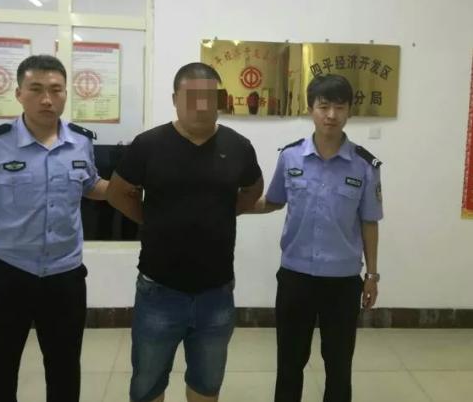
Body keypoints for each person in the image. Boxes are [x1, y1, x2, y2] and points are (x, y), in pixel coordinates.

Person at [0, 54, 111, 402]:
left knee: (65, 368)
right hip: (6, 273)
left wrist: (129, 189)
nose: (47, 99)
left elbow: (91, 184)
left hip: (65, 275)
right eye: (36, 89)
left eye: (56, 90)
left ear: (66, 94)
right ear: (19, 94)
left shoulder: (81, 141)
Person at [106, 62, 264, 402]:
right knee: (147, 385)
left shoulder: (238, 146)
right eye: (192, 97)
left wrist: (224, 211)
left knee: (207, 384)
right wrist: (150, 219)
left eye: (210, 97)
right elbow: (117, 193)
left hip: (216, 293)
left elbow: (252, 189)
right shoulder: (148, 145)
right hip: (158, 291)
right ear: (175, 99)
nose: (202, 105)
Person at [248, 74, 383, 402]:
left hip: (342, 281)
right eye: (324, 106)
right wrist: (230, 205)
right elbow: (273, 201)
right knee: (289, 362)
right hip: (295, 277)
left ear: (349, 111)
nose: (331, 115)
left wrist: (372, 276)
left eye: (339, 107)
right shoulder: (290, 157)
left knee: (339, 364)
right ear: (310, 109)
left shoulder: (364, 165)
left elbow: (369, 222)